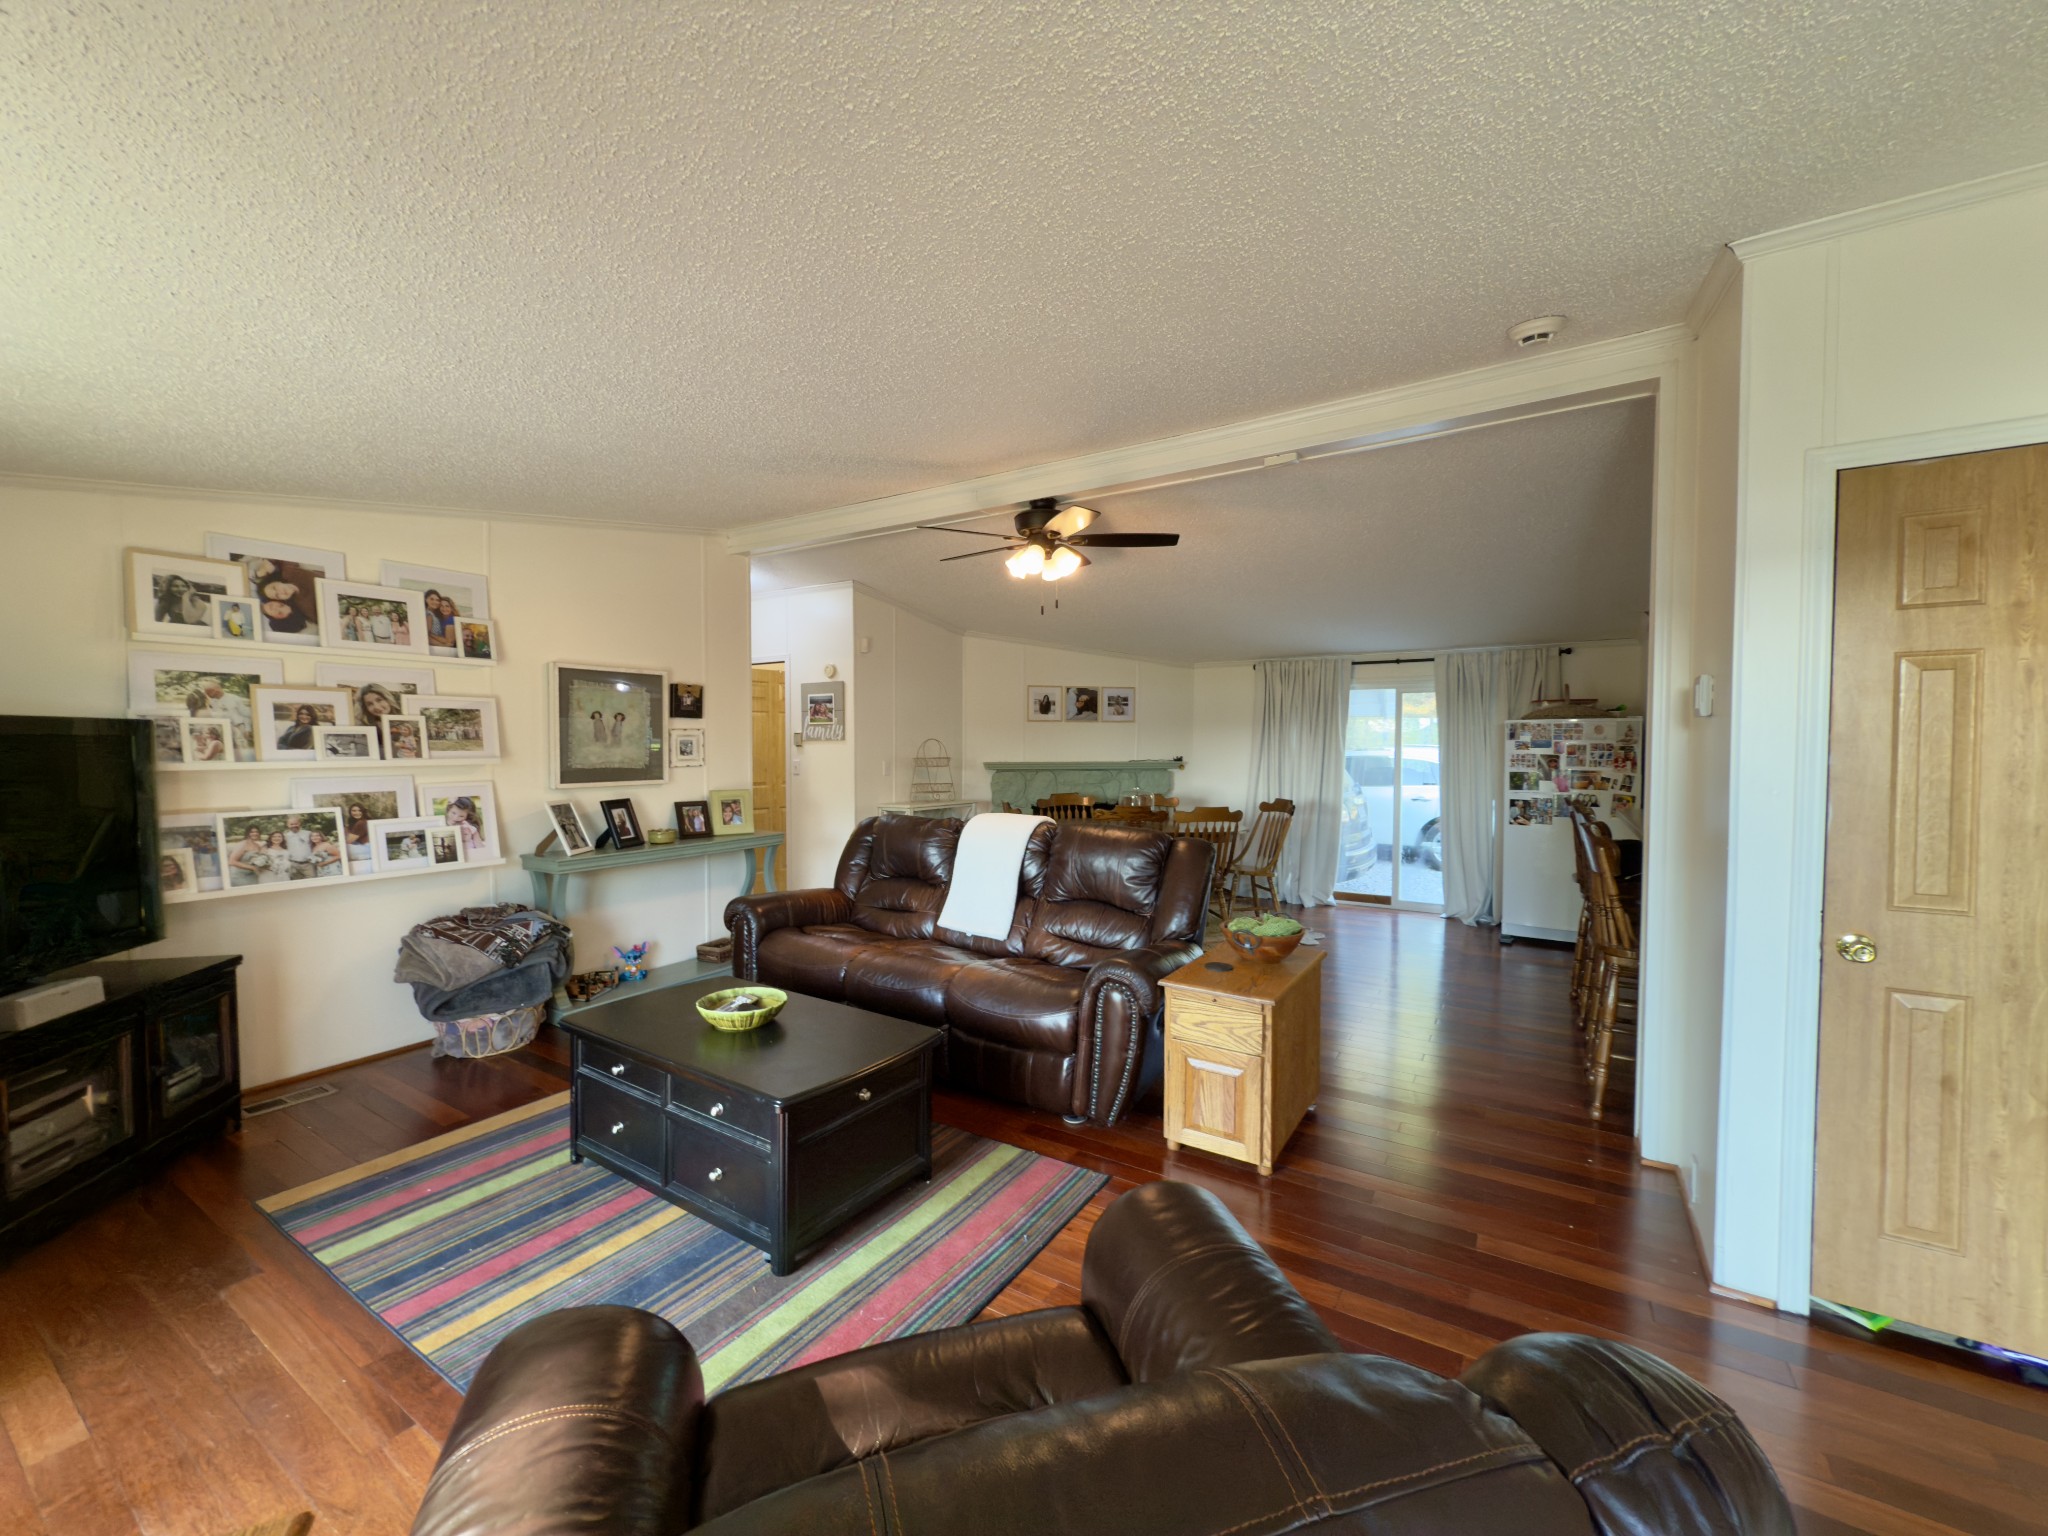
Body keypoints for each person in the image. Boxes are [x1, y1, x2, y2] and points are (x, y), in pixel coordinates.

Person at [283, 813, 315, 879]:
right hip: (293, 865)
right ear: (288, 825)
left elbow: (315, 845)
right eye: (291, 824)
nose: (294, 825)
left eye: (296, 823)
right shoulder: (285, 836)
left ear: (299, 823)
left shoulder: (308, 833)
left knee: (312, 882)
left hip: (308, 864)